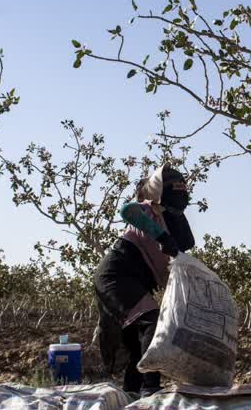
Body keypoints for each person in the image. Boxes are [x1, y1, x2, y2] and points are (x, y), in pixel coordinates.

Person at [93, 164, 195, 397]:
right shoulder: (147, 211)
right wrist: (162, 237)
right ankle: (151, 387)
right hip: (116, 276)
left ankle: (132, 393)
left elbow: (186, 242)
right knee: (153, 321)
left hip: (137, 282)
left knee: (135, 344)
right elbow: (126, 210)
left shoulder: (171, 218)